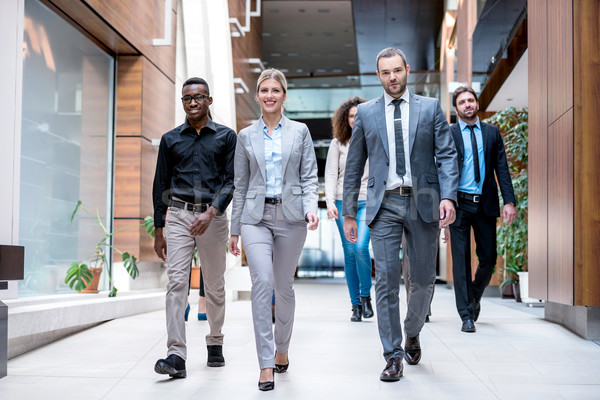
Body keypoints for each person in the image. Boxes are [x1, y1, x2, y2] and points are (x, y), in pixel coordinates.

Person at [342, 47, 459, 382]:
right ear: (378, 76)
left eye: (397, 71)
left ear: (407, 70)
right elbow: (353, 166)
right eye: (385, 72)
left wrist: (448, 196)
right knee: (386, 281)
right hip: (384, 204)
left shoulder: (430, 108)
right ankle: (392, 355)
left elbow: (447, 156)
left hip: (423, 202)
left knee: (422, 281)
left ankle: (412, 331)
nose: (392, 77)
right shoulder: (366, 113)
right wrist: (349, 211)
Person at [228, 68, 319, 391]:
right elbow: (240, 185)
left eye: (275, 91)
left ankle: (282, 349)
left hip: (292, 218)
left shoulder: (300, 132)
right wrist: (235, 228)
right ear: (257, 96)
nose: (269, 95)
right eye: (264, 90)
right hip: (256, 217)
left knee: (283, 288)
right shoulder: (245, 136)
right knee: (263, 283)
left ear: (284, 96)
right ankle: (266, 364)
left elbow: (309, 177)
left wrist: (311, 208)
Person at [152, 77, 236, 378]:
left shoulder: (226, 137)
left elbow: (231, 181)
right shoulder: (170, 139)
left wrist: (212, 211)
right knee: (176, 283)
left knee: (214, 284)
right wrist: (159, 229)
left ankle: (215, 341)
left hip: (212, 219)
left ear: (209, 101)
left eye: (198, 97)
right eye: (186, 98)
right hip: (178, 215)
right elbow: (160, 184)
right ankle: (176, 354)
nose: (192, 102)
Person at [445, 86, 516, 333]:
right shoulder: (449, 133)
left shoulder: (492, 133)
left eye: (471, 100)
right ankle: (466, 314)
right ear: (456, 109)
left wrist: (509, 201)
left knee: (488, 258)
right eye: (462, 102)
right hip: (458, 204)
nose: (467, 105)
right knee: (461, 262)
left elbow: (502, 169)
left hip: (484, 203)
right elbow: (442, 168)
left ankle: (473, 295)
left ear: (476, 104)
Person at [325, 96, 374, 322]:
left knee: (361, 247)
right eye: (351, 116)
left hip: (368, 201)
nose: (355, 119)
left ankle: (365, 296)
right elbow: (331, 174)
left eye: (359, 115)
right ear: (346, 119)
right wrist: (329, 202)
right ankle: (355, 304)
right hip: (343, 202)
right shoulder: (338, 143)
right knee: (349, 252)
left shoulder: (374, 140)